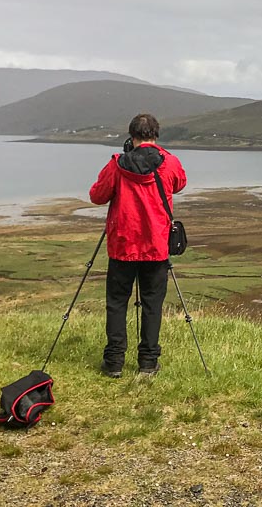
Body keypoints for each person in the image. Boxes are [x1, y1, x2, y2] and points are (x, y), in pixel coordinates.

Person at [89, 113, 187, 378]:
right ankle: (147, 362)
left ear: (131, 135)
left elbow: (96, 196)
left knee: (117, 303)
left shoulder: (117, 164)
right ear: (156, 134)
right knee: (153, 304)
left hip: (122, 245)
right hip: (156, 246)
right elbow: (180, 183)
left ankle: (114, 363)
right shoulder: (170, 163)